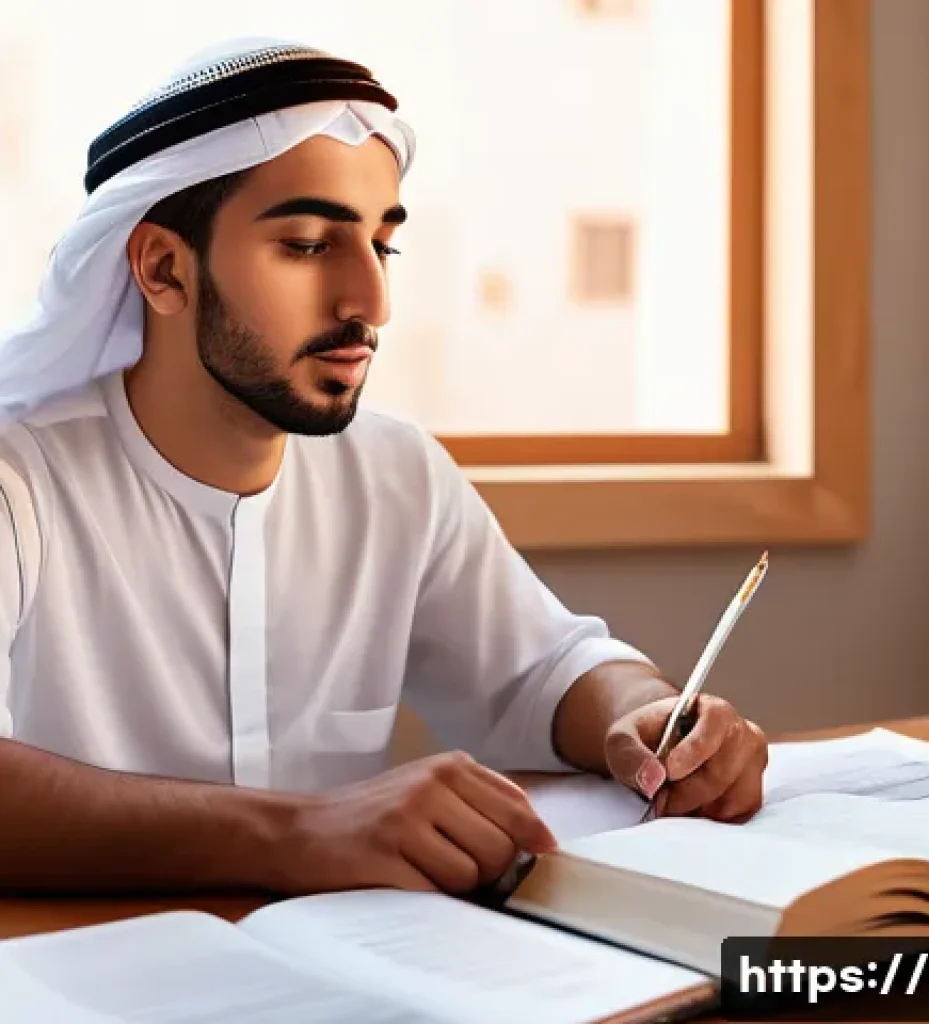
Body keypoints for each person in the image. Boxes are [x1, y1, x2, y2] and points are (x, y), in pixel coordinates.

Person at [0, 38, 768, 899]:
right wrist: (296, 831)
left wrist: (642, 713)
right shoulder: (17, 482)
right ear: (164, 269)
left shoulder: (395, 473)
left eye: (382, 246)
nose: (371, 302)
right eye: (306, 245)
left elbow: (541, 670)